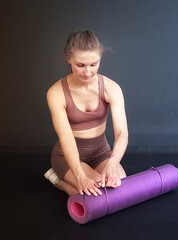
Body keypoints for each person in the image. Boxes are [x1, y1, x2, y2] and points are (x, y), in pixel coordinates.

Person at [44, 30, 128, 196]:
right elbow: (66, 138)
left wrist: (112, 163)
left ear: (100, 59)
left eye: (94, 64)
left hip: (101, 152)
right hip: (67, 156)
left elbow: (121, 133)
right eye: (80, 65)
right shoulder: (55, 93)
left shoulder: (112, 88)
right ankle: (61, 183)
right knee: (96, 193)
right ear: (69, 59)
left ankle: (75, 184)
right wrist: (80, 177)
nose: (88, 72)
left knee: (121, 186)